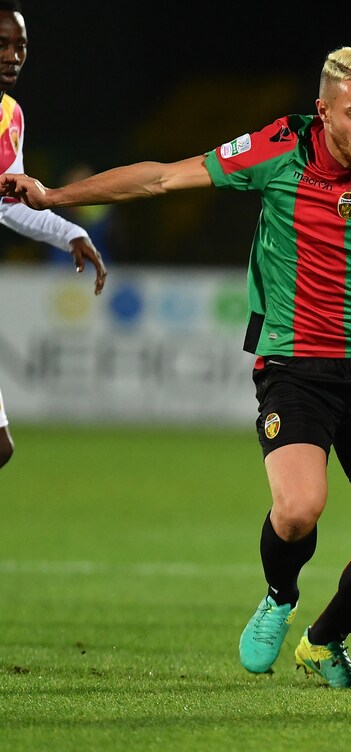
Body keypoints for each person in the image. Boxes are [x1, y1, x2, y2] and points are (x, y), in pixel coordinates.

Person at [0, 46, 351, 689]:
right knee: (298, 510)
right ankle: (280, 596)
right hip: (294, 363)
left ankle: (324, 640)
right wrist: (55, 195)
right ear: (324, 112)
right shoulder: (280, 148)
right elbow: (162, 179)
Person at [0, 0, 107, 472]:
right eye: (1, 44)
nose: (12, 56)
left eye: (20, 45)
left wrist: (70, 233)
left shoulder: (11, 116)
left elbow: (9, 202)